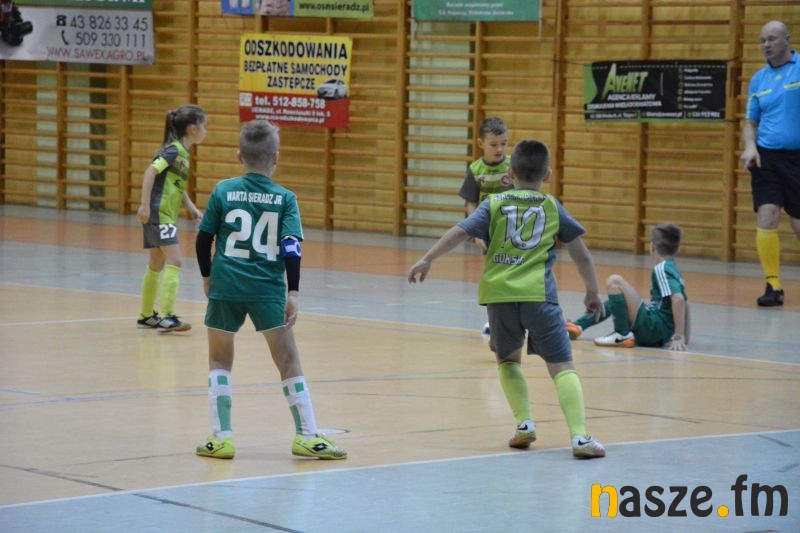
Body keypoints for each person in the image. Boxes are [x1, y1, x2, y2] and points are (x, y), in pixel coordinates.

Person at [409, 139, 606, 459]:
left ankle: (524, 423)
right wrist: (592, 292)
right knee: (562, 367)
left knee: (508, 361)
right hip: (539, 297)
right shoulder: (552, 206)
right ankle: (580, 437)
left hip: (499, 296)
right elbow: (581, 255)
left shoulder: (494, 203)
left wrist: (427, 258)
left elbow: (460, 231)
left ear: (510, 173)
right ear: (548, 174)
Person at [194, 119, 346, 461]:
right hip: (267, 289)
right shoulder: (285, 198)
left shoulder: (222, 190)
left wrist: (207, 276)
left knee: (219, 359)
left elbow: (203, 240)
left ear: (239, 156)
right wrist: (293, 292)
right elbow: (291, 246)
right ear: (276, 157)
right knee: (288, 360)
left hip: (226, 285)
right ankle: (307, 435)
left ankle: (222, 438)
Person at [741, 20, 800, 307]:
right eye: (762, 40)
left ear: (787, 39)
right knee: (767, 214)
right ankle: (773, 286)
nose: (766, 45)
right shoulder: (758, 80)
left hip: (797, 158)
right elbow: (750, 123)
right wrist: (750, 146)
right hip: (766, 157)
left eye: (772, 39)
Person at [566, 223, 691, 352]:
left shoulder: (662, 268)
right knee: (617, 301)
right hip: (658, 331)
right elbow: (685, 304)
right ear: (677, 249)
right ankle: (577, 326)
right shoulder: (673, 269)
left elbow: (678, 299)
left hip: (653, 327)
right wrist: (685, 336)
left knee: (614, 282)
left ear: (652, 246)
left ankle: (622, 334)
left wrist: (679, 335)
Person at [136, 104, 206, 332]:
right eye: (204, 126)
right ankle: (167, 316)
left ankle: (147, 315)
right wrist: (144, 205)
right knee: (175, 261)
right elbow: (151, 171)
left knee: (156, 264)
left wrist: (191, 207)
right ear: (193, 129)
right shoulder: (174, 151)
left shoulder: (182, 153)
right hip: (160, 214)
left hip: (163, 214)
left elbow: (177, 185)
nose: (206, 131)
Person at [458, 117, 513, 335]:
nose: (499, 149)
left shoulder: (512, 167)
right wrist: (476, 233)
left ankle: (518, 319)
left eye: (504, 144)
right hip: (490, 235)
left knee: (514, 277)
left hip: (513, 233)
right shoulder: (475, 170)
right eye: (494, 144)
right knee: (494, 278)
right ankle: (495, 320)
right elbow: (471, 203)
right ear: (481, 143)